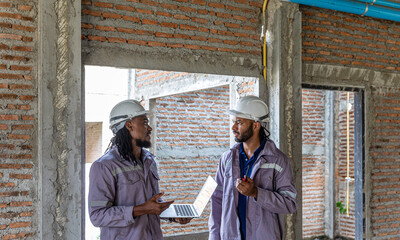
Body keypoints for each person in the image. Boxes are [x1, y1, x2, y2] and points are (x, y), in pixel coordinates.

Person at [88, 99, 190, 240]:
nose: (150, 128)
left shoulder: (148, 160)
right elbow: (97, 216)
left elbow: (150, 204)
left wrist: (171, 215)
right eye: (145, 122)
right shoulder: (104, 166)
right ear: (129, 125)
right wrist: (142, 209)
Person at [208, 96, 298, 240]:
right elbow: (217, 201)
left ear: (256, 125)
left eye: (239, 122)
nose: (233, 127)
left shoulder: (278, 160)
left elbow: (290, 203)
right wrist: (214, 237)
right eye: (234, 122)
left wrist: (256, 193)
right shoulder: (227, 159)